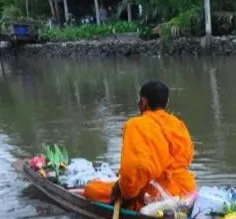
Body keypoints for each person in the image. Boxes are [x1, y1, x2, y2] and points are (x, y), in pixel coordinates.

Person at [83, 79, 197, 210]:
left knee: (91, 189)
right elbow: (187, 158)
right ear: (167, 103)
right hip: (187, 190)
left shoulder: (137, 124)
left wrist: (124, 192)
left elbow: (134, 169)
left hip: (157, 194)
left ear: (143, 102)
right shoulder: (178, 124)